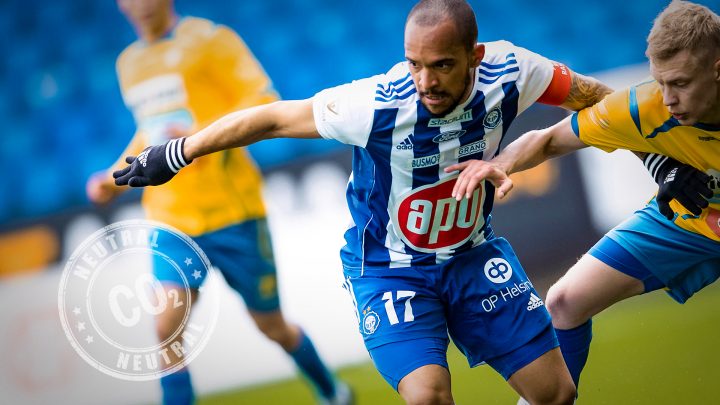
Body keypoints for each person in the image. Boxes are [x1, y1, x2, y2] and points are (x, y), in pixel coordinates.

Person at [112, 0, 619, 403]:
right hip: (391, 269)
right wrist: (177, 152)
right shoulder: (376, 102)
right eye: (415, 64)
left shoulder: (513, 70)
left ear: (475, 55)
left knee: (555, 393)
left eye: (442, 65)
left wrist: (658, 150)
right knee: (427, 396)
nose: (426, 82)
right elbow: (269, 119)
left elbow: (593, 98)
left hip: (472, 256)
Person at [445, 0, 719, 398]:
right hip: (688, 221)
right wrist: (500, 163)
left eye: (680, 83)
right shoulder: (647, 108)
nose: (668, 98)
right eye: (660, 82)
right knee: (564, 301)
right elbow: (548, 140)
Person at [86, 1, 351, 404]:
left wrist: (194, 136)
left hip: (233, 213)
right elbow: (149, 133)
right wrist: (113, 178)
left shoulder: (211, 40)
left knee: (272, 326)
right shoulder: (128, 63)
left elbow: (262, 100)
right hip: (172, 216)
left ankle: (333, 392)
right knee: (165, 330)